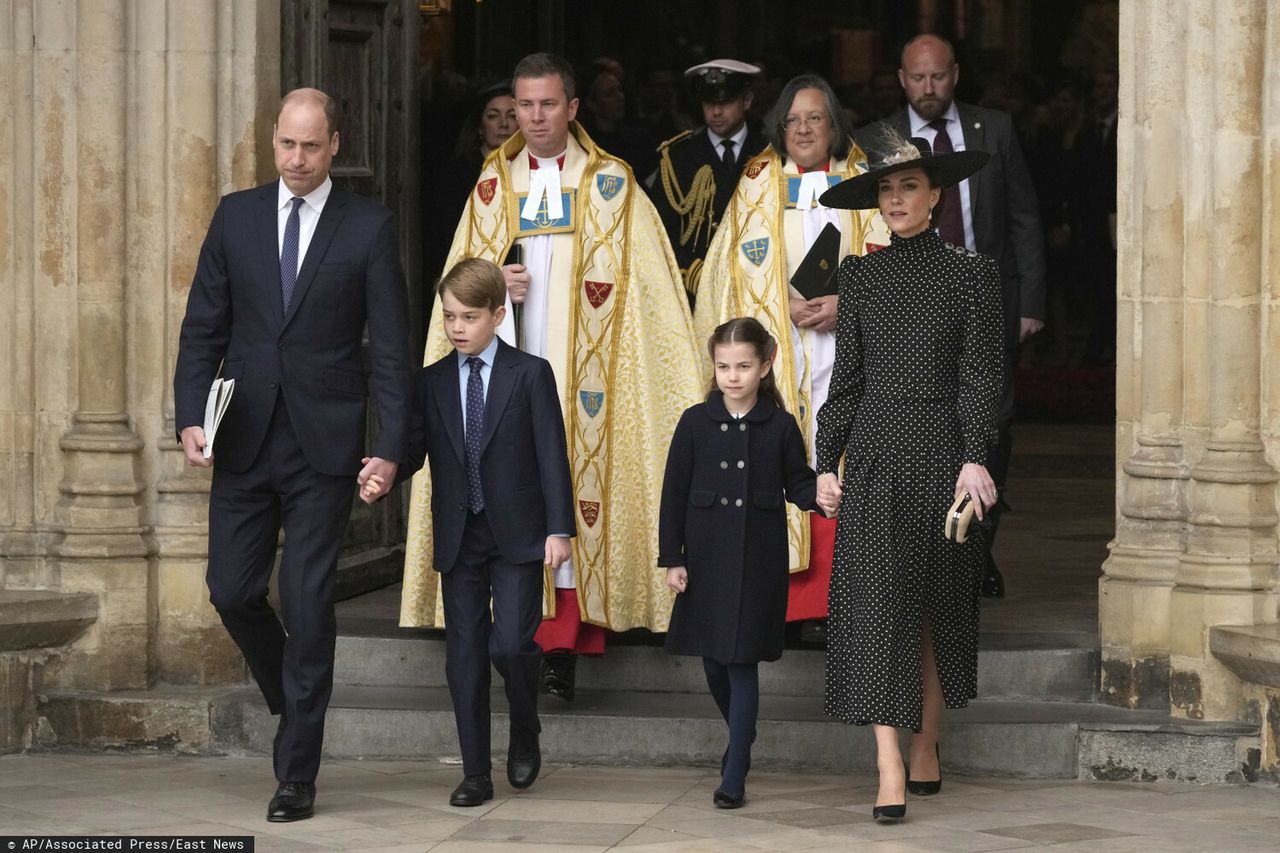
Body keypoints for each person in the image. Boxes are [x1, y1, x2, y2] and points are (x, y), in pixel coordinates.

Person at [400, 53, 705, 703]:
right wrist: (494, 279)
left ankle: (564, 646)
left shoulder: (612, 184)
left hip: (583, 376)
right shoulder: (492, 182)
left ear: (572, 108)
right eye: (524, 105)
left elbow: (651, 292)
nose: (534, 118)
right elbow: (458, 283)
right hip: (504, 369)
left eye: (546, 105)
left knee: (572, 491)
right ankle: (516, 640)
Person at [173, 88, 412, 822]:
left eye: (311, 146)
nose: (297, 159)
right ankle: (292, 698)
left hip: (324, 445)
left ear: (335, 144)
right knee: (231, 588)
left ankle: (296, 771)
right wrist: (190, 417)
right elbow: (202, 328)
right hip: (244, 436)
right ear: (272, 142)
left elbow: (392, 353)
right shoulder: (236, 215)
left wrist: (391, 448)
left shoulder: (367, 227)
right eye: (286, 144)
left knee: (307, 603)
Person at [816, 133, 1001, 822]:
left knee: (929, 607)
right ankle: (888, 764)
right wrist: (822, 463)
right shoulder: (860, 276)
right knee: (877, 606)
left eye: (909, 188)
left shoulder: (971, 274)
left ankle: (927, 742)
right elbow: (847, 381)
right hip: (873, 450)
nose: (896, 200)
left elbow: (982, 375)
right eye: (885, 191)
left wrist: (976, 453)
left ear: (936, 195)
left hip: (945, 450)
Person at [369, 259, 574, 807]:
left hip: (519, 534)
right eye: (450, 317)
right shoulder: (431, 381)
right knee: (463, 655)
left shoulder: (529, 374)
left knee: (509, 643)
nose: (457, 328)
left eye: (469, 317)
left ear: (497, 315)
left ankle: (525, 725)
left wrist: (560, 530)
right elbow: (414, 449)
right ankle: (476, 773)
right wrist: (384, 470)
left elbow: (552, 455)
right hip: (460, 534)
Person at [695, 74, 890, 642]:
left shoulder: (863, 181)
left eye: (815, 118)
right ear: (779, 129)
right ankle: (781, 603)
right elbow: (725, 273)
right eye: (793, 121)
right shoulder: (757, 182)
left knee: (843, 460)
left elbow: (893, 269)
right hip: (781, 352)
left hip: (850, 355)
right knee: (781, 458)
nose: (803, 129)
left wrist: (846, 304)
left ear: (835, 124)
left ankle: (838, 602)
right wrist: (774, 304)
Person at [856, 33, 1046, 599]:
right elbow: (867, 226)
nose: (929, 87)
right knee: (925, 429)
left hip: (988, 302)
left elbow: (1023, 215)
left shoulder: (997, 128)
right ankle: (932, 555)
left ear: (955, 74)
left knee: (993, 421)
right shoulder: (874, 140)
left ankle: (977, 545)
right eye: (918, 77)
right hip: (912, 312)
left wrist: (1031, 302)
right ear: (900, 79)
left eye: (938, 76)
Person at [661, 317, 840, 808]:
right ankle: (744, 733)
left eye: (743, 366)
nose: (733, 376)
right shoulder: (694, 422)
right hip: (704, 559)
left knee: (741, 662)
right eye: (724, 366)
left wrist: (820, 496)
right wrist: (672, 559)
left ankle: (735, 767)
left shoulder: (780, 425)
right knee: (714, 663)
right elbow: (673, 494)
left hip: (756, 561)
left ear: (766, 364)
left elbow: (797, 481)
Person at [652, 60, 768, 306]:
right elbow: (662, 228)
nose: (715, 113)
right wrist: (694, 273)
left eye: (725, 103)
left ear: (747, 100)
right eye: (709, 103)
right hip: (698, 288)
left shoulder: (769, 153)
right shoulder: (677, 157)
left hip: (758, 285)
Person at [577, 60, 659, 185]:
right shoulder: (580, 146)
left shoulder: (641, 141)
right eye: (610, 94)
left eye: (620, 90)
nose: (620, 97)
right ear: (591, 103)